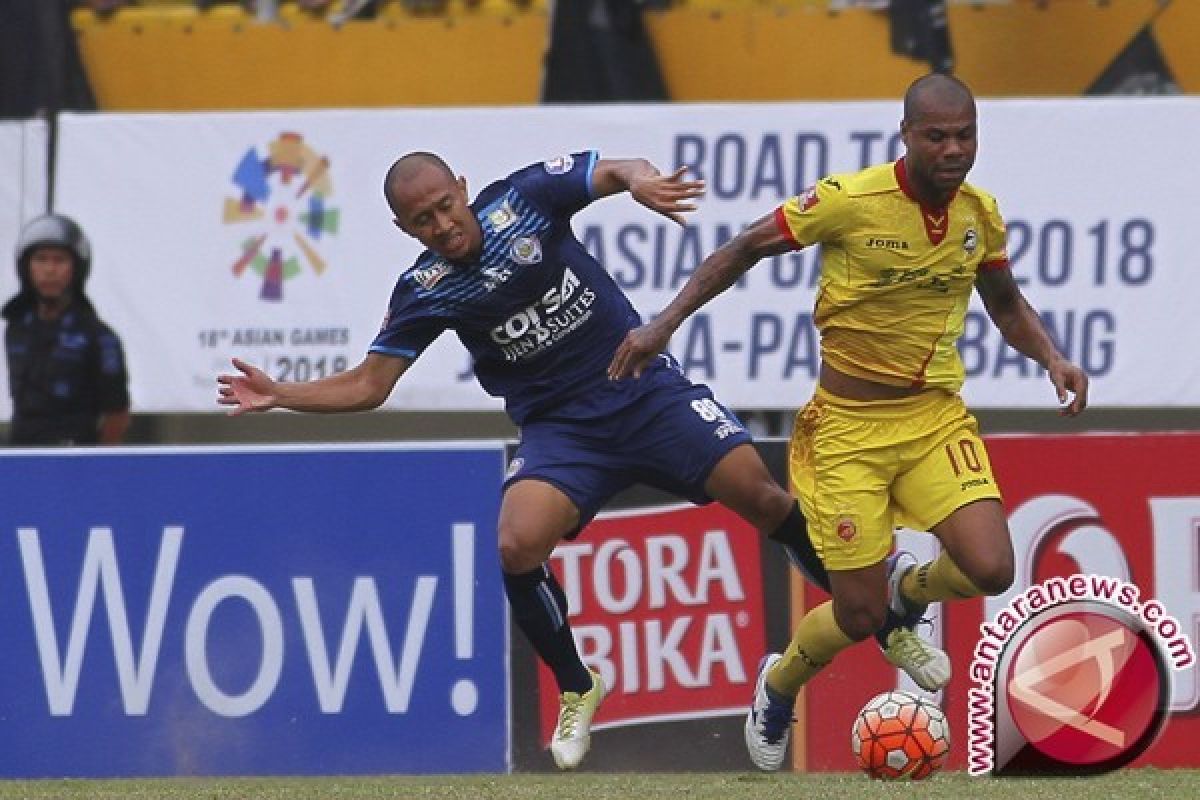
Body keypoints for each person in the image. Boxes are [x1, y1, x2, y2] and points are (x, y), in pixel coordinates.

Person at [218, 149, 838, 770]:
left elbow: (615, 167)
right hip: (563, 431)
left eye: (444, 205)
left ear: (462, 188)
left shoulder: (525, 200)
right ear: (405, 231)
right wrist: (281, 394)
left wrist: (641, 181)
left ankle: (863, 603)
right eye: (423, 221)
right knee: (516, 544)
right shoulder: (424, 290)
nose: (442, 225)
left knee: (762, 495)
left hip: (643, 391)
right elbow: (370, 385)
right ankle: (577, 685)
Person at [607, 73, 1090, 771]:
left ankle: (908, 588)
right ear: (906, 135)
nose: (953, 149)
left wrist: (1053, 356)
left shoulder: (978, 215)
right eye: (937, 135)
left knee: (990, 565)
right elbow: (744, 247)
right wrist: (663, 322)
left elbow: (1007, 303)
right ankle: (780, 685)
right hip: (847, 433)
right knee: (858, 617)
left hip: (932, 420)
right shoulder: (848, 201)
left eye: (965, 135)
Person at [3, 213, 131, 446]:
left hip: (74, 458)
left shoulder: (100, 338)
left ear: (77, 268)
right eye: (41, 259)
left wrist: (95, 462)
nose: (49, 270)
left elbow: (117, 415)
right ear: (26, 267)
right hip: (21, 456)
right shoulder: (16, 328)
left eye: (59, 260)